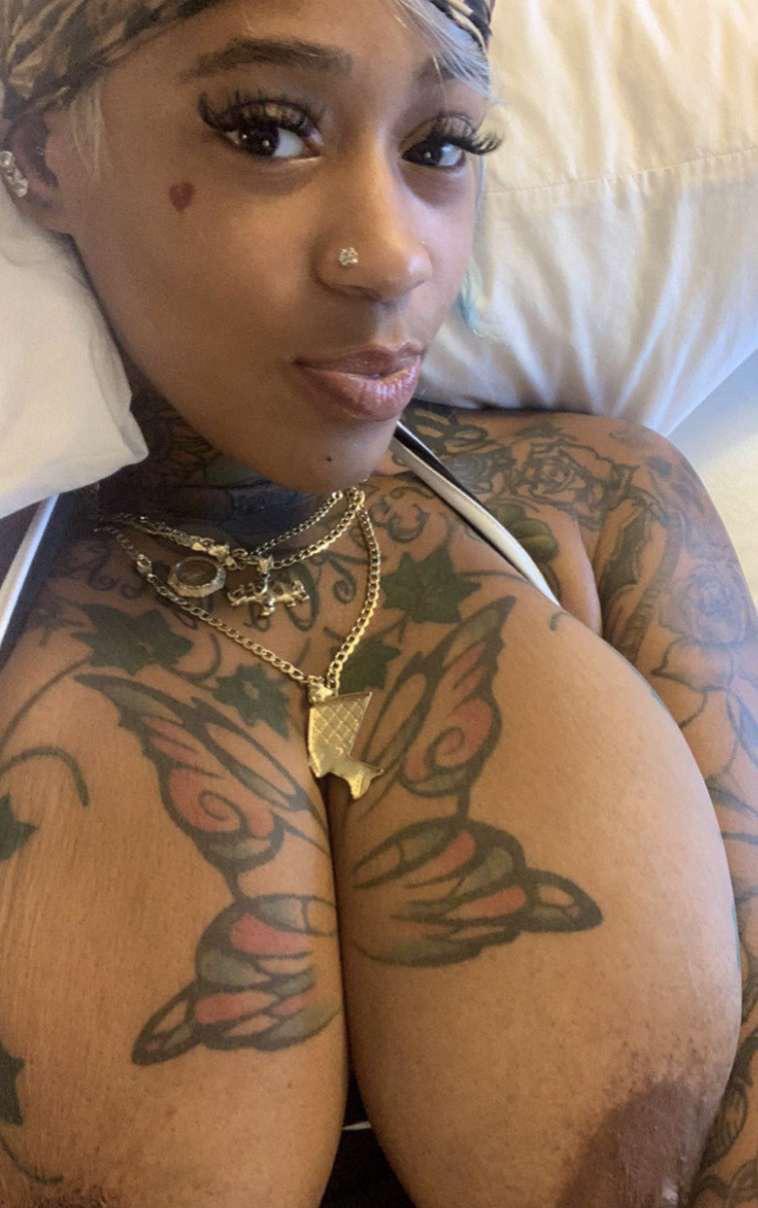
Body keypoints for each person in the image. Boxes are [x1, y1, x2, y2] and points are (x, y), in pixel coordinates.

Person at [0, 1, 753, 1205]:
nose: (392, 255)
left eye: (440, 146)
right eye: (265, 131)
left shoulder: (599, 508)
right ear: (41, 155)